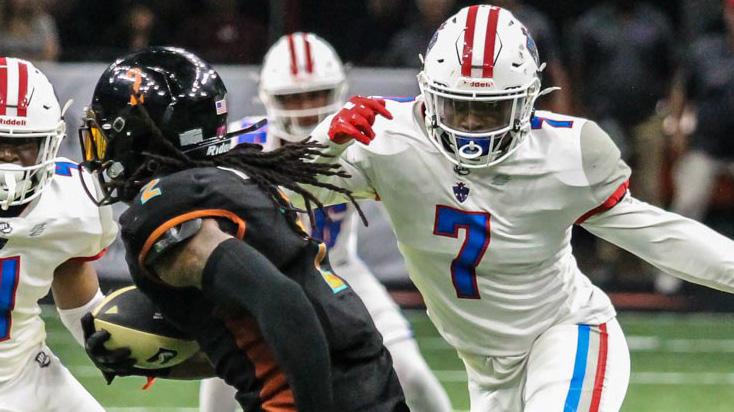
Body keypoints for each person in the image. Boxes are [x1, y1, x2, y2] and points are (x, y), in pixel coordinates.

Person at [287, 5, 734, 411]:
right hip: (487, 372)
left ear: (527, 100)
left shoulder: (563, 152)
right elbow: (282, 201)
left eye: (490, 110)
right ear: (428, 93)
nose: (470, 126)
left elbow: (659, 235)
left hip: (565, 334)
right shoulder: (389, 138)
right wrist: (321, 146)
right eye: (457, 106)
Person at [78, 46, 408, 412]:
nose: (100, 149)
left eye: (105, 133)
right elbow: (254, 350)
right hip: (372, 385)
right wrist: (158, 361)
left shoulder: (165, 207)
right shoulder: (235, 178)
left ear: (138, 134)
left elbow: (285, 303)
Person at [199, 32, 452, 412]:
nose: (305, 109)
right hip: (257, 280)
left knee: (412, 377)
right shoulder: (240, 147)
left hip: (337, 269)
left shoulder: (360, 137)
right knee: (222, 391)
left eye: (316, 95)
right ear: (268, 97)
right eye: (293, 98)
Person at [0, 57, 117, 411]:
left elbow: (76, 288)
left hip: (24, 375)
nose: (7, 157)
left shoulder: (69, 202)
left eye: (24, 143)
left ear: (49, 143)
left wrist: (117, 342)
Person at [655, 0, 734, 294]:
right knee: (687, 202)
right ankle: (670, 273)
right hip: (706, 146)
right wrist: (676, 128)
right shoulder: (705, 51)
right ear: (727, 16)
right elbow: (680, 91)